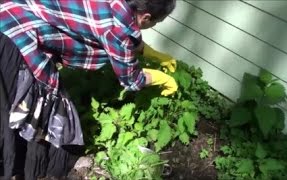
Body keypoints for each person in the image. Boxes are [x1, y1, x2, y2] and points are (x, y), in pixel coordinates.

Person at [0, 0, 178, 179]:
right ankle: (21, 169)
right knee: (38, 114)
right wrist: (161, 79)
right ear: (146, 17)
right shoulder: (118, 32)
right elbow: (131, 79)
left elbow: (124, 25)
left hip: (8, 11)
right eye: (156, 23)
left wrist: (149, 51)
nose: (153, 26)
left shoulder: (116, 5)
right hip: (16, 39)